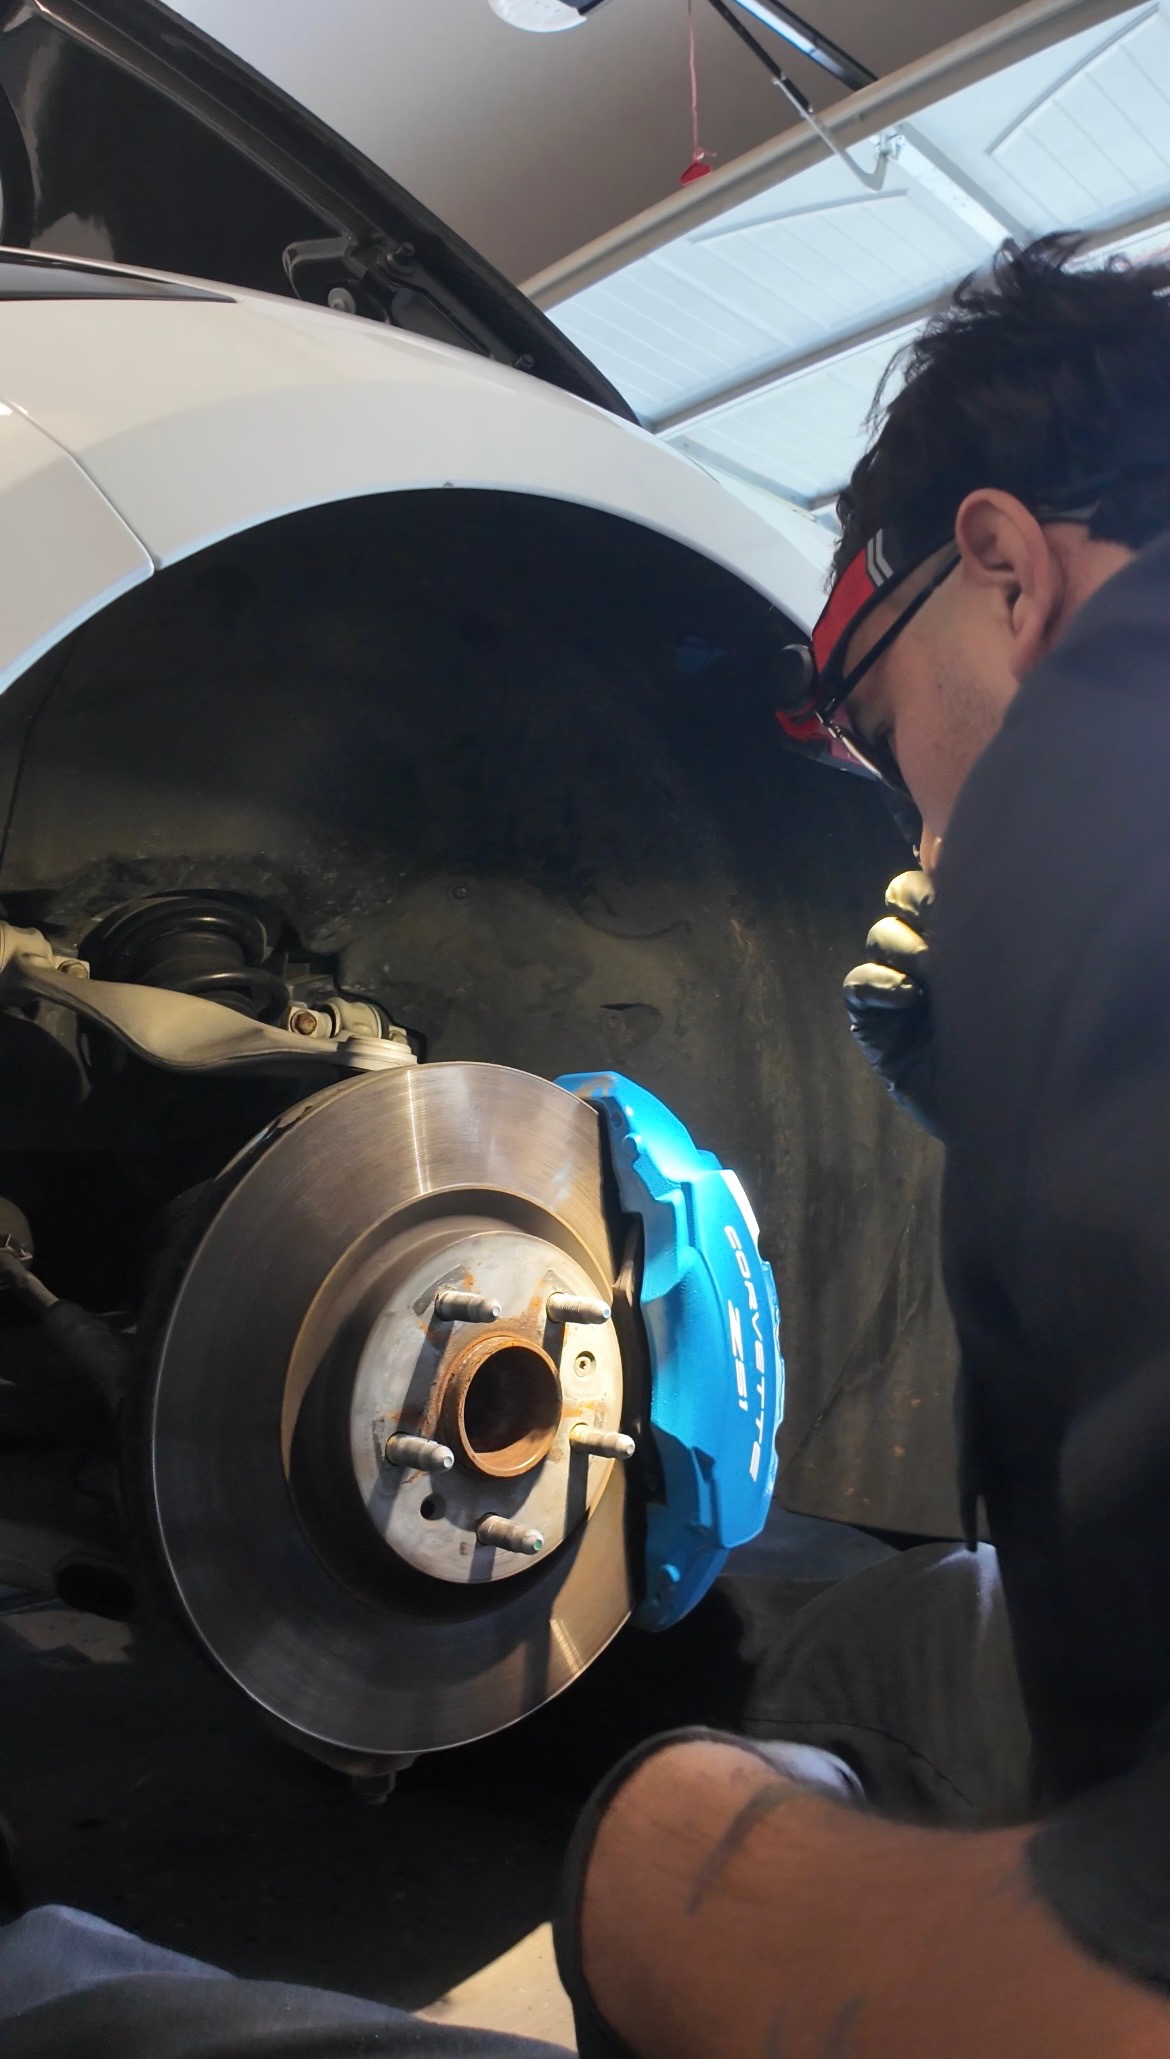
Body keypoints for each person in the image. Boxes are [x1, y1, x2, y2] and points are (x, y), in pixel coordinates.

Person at [550, 234, 1170, 2055]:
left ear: (1004, 568)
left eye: (888, 750)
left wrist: (681, 1869)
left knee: (79, 2001)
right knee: (874, 1634)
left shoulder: (1108, 746)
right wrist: (999, 1081)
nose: (913, 837)